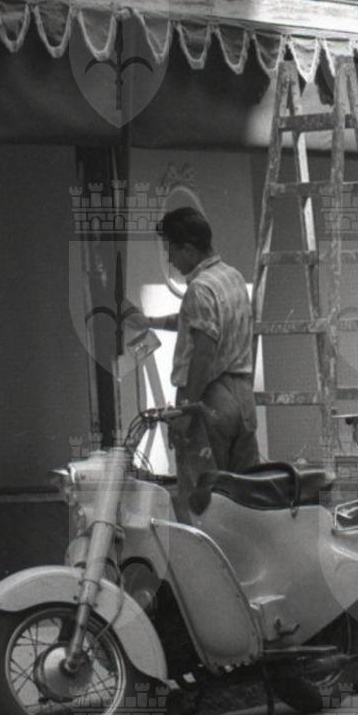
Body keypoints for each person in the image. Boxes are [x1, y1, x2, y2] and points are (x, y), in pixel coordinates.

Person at [132, 206, 259, 509]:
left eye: (171, 251)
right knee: (245, 495)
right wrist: (149, 321)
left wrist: (187, 409)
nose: (170, 261)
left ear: (188, 249)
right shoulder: (232, 277)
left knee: (202, 499)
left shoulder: (199, 289)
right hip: (242, 396)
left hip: (210, 398)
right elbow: (193, 321)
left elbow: (203, 351)